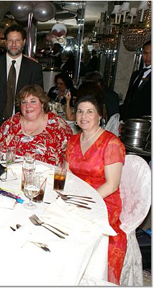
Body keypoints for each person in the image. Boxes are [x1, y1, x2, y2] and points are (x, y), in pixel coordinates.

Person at [65, 92, 126, 285]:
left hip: (103, 199)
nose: (83, 116)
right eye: (80, 111)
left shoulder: (111, 143)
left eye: (90, 111)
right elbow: (66, 174)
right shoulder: (73, 141)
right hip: (77, 195)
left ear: (100, 115)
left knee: (77, 225)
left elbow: (112, 184)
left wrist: (84, 199)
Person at [0, 24, 44, 138]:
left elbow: (38, 98)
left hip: (25, 123)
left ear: (23, 42)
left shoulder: (34, 68)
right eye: (10, 40)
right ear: (5, 42)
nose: (14, 44)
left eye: (17, 41)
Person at [0, 84, 72, 166]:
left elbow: (70, 157)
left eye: (33, 101)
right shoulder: (11, 123)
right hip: (11, 174)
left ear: (42, 104)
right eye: (24, 102)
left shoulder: (58, 125)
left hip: (46, 176)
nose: (28, 106)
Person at [121, 40, 151, 121]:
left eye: (151, 53)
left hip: (146, 122)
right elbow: (128, 98)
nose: (148, 57)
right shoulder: (136, 74)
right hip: (130, 120)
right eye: (145, 53)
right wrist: (122, 120)